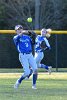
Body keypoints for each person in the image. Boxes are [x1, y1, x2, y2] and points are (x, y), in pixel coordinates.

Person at [13, 25, 38, 89]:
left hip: (30, 55)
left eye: (21, 28)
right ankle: (18, 81)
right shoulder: (15, 37)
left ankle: (34, 85)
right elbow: (18, 37)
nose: (20, 30)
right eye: (18, 29)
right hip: (23, 55)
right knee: (27, 73)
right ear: (16, 31)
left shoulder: (27, 37)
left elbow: (33, 43)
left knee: (35, 69)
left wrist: (34, 37)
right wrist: (24, 32)